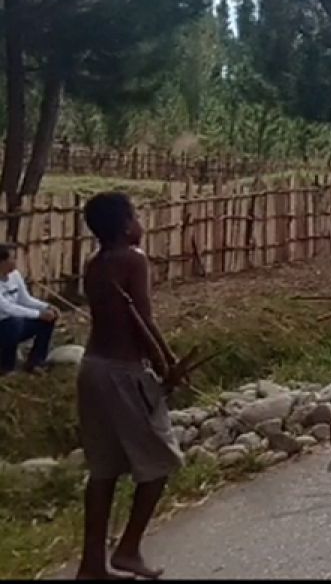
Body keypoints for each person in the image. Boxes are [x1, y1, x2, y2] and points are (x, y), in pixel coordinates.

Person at [76, 192, 188, 580]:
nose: (141, 222)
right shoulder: (134, 260)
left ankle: (92, 564)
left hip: (92, 368)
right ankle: (128, 549)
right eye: (137, 215)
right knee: (159, 462)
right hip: (124, 372)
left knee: (103, 469)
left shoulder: (94, 265)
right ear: (126, 225)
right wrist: (166, 365)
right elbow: (143, 321)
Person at [0, 245, 59, 374]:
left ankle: (36, 361)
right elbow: (7, 308)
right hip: (4, 325)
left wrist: (46, 307)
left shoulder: (15, 275)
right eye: (12, 258)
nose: (15, 261)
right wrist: (38, 314)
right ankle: (6, 366)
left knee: (48, 319)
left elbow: (25, 299)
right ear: (2, 262)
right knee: (14, 322)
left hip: (14, 323)